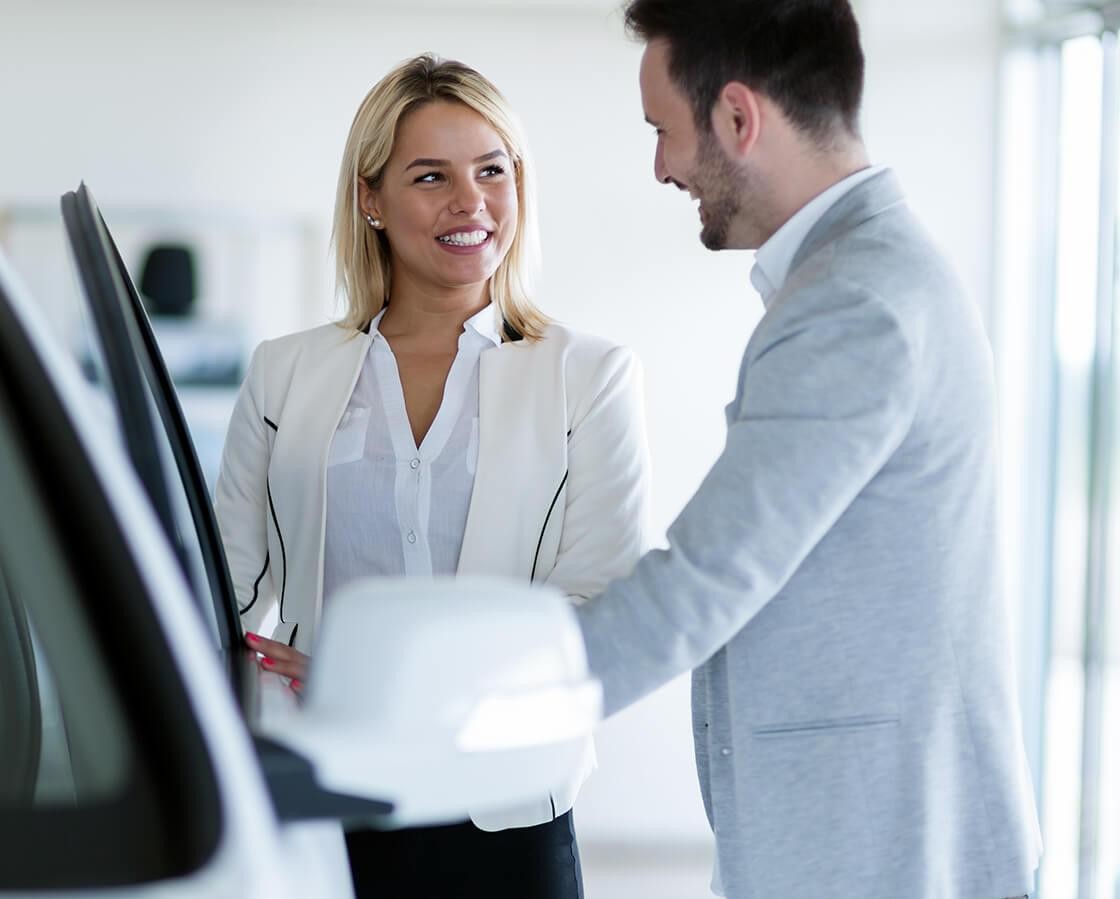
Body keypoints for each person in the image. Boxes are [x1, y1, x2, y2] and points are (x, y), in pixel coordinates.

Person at [569, 2, 1042, 897]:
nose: (663, 168)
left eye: (663, 133)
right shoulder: (868, 275)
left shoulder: (854, 302)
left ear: (739, 118)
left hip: (884, 851)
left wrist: (466, 700)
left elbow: (705, 580)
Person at [214, 53, 651, 899]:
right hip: (326, 800)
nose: (471, 202)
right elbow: (221, 588)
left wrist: (389, 672)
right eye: (431, 176)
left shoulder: (588, 375)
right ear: (370, 198)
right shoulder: (284, 373)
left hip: (507, 806)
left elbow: (601, 600)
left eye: (493, 170)